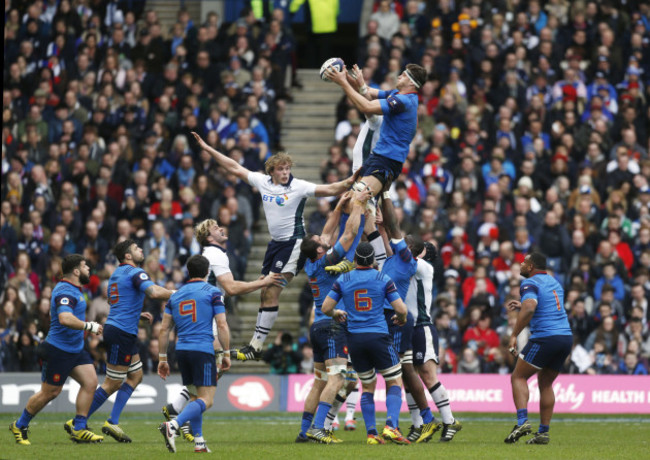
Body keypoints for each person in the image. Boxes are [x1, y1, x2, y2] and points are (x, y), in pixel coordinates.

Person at [191, 132, 357, 360]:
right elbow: (234, 167)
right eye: (281, 168)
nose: (285, 172)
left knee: (271, 290)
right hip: (275, 245)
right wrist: (208, 149)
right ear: (271, 171)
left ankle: (256, 346)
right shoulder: (262, 182)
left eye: (287, 168)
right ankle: (255, 345)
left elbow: (329, 189)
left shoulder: (298, 186)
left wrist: (349, 182)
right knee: (264, 293)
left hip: (293, 243)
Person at [161, 218, 283, 440]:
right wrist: (263, 283)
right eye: (216, 228)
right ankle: (178, 415)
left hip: (196, 323)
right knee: (211, 378)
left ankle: (181, 413)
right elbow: (231, 288)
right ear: (209, 237)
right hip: (208, 323)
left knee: (208, 377)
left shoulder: (209, 253)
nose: (222, 228)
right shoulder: (216, 254)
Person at [297, 188, 369, 443]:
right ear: (319, 250)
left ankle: (304, 431)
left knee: (320, 382)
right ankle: (319, 428)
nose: (323, 236)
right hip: (332, 326)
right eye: (319, 239)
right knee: (337, 380)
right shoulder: (328, 261)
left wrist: (339, 206)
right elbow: (349, 234)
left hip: (317, 326)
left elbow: (328, 231)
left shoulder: (310, 262)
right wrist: (358, 204)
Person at [9, 254, 104, 445]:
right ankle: (20, 424)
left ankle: (79, 428)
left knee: (91, 382)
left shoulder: (76, 289)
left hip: (76, 349)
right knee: (50, 393)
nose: (88, 270)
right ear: (76, 271)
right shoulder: (65, 291)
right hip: (59, 350)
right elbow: (65, 318)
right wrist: (88, 326)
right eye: (85, 267)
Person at [85, 239, 173, 442]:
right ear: (128, 256)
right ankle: (79, 421)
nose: (141, 250)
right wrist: (182, 294)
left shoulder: (116, 273)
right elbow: (154, 292)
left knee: (136, 376)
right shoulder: (136, 272)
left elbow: (115, 301)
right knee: (113, 382)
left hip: (122, 328)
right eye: (136, 248)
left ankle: (112, 422)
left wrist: (136, 313)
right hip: (121, 332)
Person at [322, 242, 409, 445]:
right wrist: (402, 319)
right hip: (378, 335)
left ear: (355, 260)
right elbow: (401, 309)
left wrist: (335, 313)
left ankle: (371, 434)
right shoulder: (382, 278)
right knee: (395, 380)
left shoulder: (344, 278)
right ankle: (390, 425)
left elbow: (326, 307)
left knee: (368, 386)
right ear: (372, 260)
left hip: (354, 339)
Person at [378, 190, 440, 443]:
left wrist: (386, 195)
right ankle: (419, 420)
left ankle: (424, 419)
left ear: (410, 249)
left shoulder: (406, 258)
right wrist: (382, 228)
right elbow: (388, 237)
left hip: (397, 318)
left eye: (403, 240)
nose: (398, 240)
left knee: (402, 369)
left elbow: (394, 228)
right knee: (398, 371)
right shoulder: (395, 258)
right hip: (385, 315)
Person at [158, 255, 230, 453]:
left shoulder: (175, 295)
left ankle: (199, 443)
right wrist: (227, 353)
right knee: (207, 399)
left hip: (182, 350)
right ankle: (173, 425)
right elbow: (222, 324)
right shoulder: (213, 292)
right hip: (202, 349)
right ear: (208, 272)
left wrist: (162, 358)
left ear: (188, 272)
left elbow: (164, 329)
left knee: (194, 396)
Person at [324, 62, 426, 197]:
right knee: (361, 201)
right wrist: (347, 77)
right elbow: (367, 91)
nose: (399, 76)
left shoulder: (403, 101)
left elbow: (366, 106)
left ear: (412, 83)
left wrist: (343, 83)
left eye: (404, 75)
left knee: (358, 198)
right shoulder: (397, 94)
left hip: (387, 160)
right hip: (380, 157)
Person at [505, 252, 573, 445]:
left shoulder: (529, 283)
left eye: (524, 262)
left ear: (531, 266)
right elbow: (545, 305)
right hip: (565, 338)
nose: (520, 264)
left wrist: (514, 335)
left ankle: (522, 422)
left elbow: (529, 308)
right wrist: (523, 304)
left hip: (546, 337)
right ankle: (543, 432)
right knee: (545, 383)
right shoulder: (554, 282)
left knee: (518, 377)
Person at [405, 241, 462, 442]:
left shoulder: (424, 267)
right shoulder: (408, 265)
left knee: (428, 375)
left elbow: (401, 253)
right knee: (407, 378)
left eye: (413, 247)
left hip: (422, 327)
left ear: (423, 253)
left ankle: (449, 420)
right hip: (406, 328)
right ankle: (418, 425)